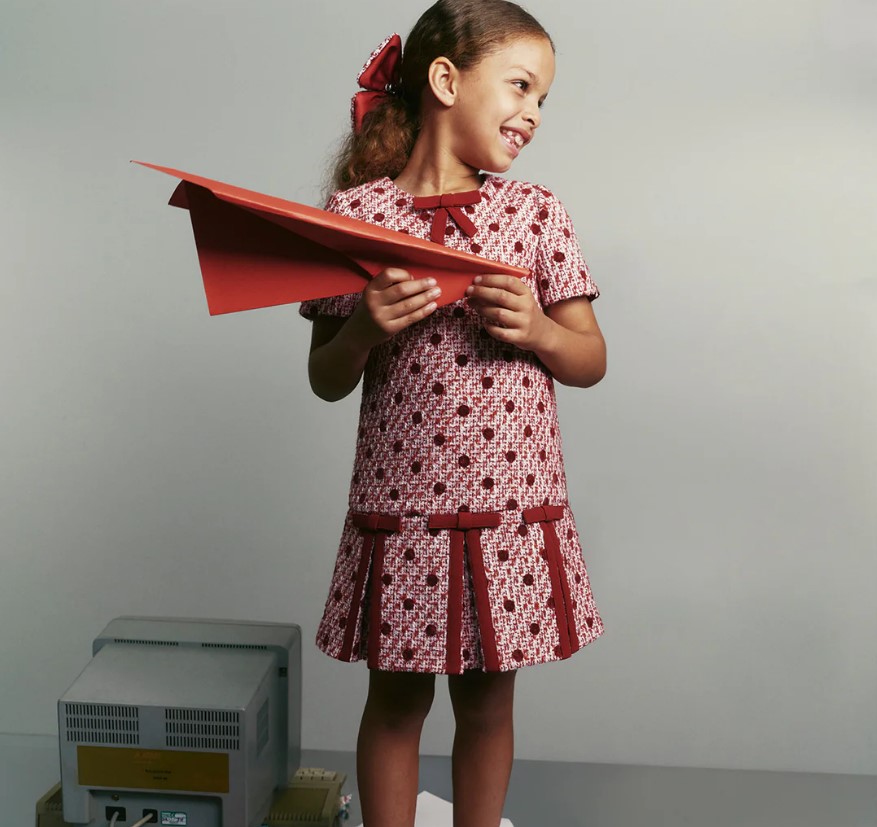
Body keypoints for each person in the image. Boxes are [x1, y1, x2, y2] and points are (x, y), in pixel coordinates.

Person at [299, 2, 606, 825]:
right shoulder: (356, 218)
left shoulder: (536, 213)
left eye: (542, 98)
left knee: (487, 706)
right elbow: (325, 377)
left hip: (507, 508)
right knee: (395, 706)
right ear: (444, 80)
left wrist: (539, 329)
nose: (532, 113)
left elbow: (590, 359)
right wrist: (362, 327)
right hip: (402, 507)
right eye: (519, 86)